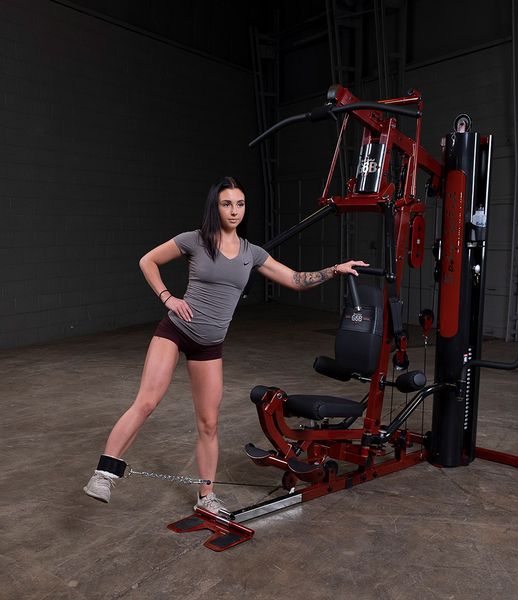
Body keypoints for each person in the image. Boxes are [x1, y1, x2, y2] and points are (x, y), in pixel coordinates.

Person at [83, 176, 368, 513]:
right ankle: (104, 474)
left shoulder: (252, 253)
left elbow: (294, 279)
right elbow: (148, 261)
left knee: (209, 423)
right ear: (215, 207)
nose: (234, 211)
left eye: (240, 204)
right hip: (176, 331)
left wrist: (335, 269)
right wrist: (168, 298)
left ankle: (206, 497)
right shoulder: (195, 240)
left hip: (209, 346)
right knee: (146, 402)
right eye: (227, 204)